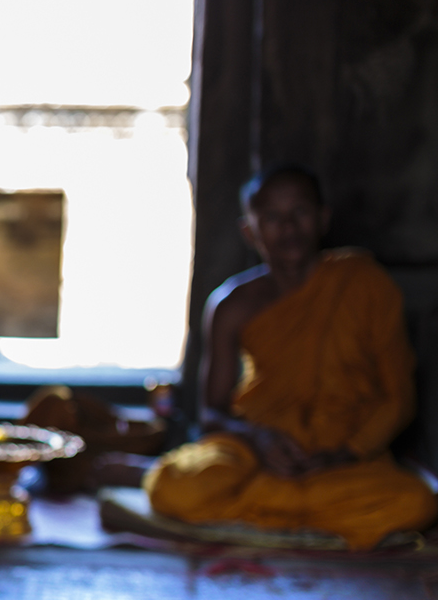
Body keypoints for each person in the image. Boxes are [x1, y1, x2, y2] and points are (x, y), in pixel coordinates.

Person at [144, 164, 437, 549]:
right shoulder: (232, 304)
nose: (288, 228)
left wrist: (344, 453)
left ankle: (265, 509)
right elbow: (211, 413)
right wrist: (259, 439)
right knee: (173, 488)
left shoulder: (364, 283)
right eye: (272, 218)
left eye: (299, 213)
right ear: (250, 231)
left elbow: (399, 398)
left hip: (343, 453)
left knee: (417, 503)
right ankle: (307, 514)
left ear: (322, 219)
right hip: (259, 447)